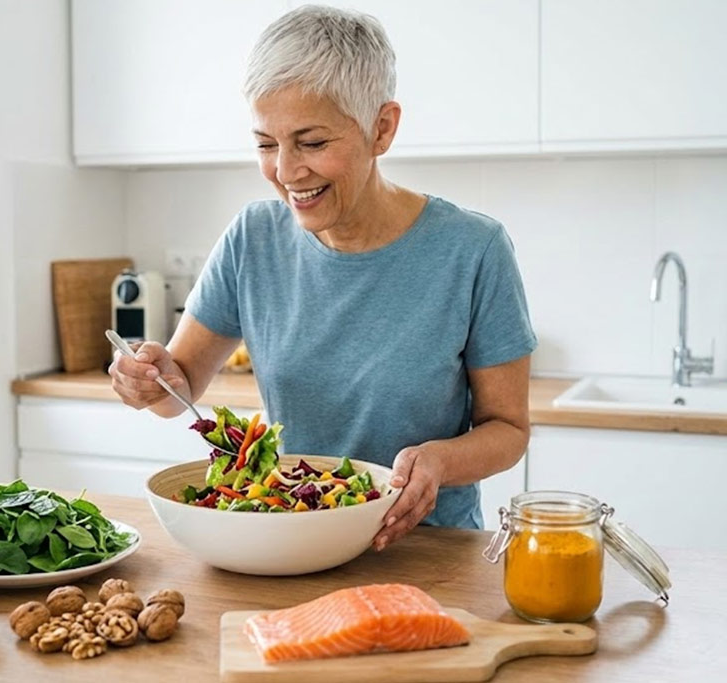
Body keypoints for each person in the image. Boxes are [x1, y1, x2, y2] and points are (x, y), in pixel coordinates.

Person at [109, 5, 536, 550]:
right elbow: (179, 390)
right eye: (266, 144)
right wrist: (150, 381)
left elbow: (508, 430)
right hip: (288, 542)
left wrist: (439, 461)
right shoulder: (252, 238)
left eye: (311, 143)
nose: (286, 171)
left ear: (382, 128)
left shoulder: (473, 249)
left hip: (424, 550)